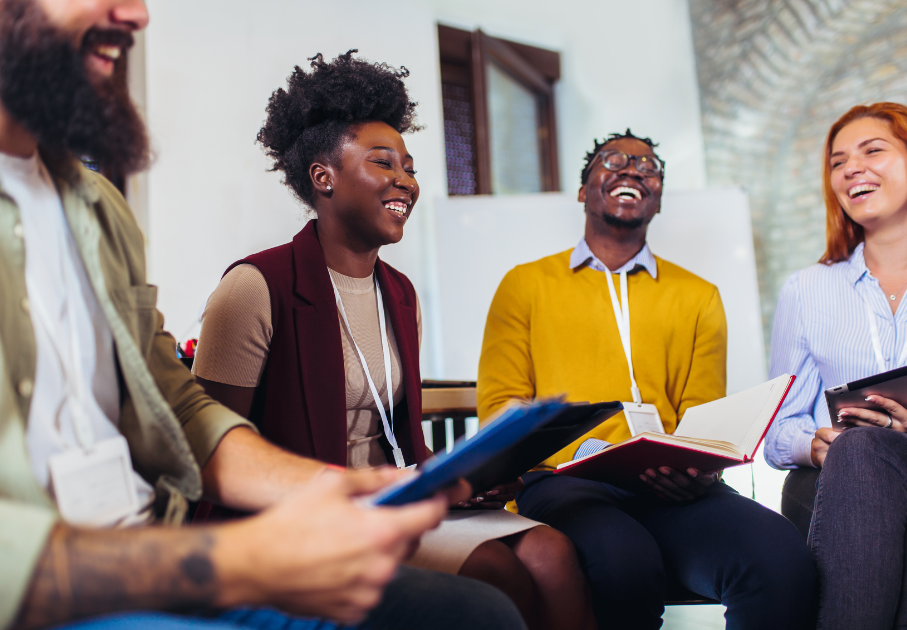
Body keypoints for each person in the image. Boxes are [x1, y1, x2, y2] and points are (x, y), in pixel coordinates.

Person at [0, 2, 532, 630]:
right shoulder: (257, 284)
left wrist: (326, 488)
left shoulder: (95, 205)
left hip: (159, 544)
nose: (135, 14)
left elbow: (178, 407)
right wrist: (233, 559)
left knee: (480, 613)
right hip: (50, 592)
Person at [190, 50, 596, 630]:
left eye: (408, 165)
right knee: (497, 576)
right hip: (307, 518)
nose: (406, 180)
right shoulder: (255, 288)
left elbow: (397, 435)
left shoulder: (399, 292)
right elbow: (211, 455)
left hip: (396, 497)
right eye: (383, 163)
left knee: (553, 555)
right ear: (322, 176)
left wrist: (466, 479)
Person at [477, 129, 818, 630]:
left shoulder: (699, 296)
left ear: (657, 198)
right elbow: (501, 408)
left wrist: (694, 467)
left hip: (672, 488)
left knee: (779, 556)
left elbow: (702, 414)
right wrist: (557, 460)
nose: (633, 169)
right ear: (583, 190)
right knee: (623, 563)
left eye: (649, 166)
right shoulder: (524, 285)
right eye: (613, 160)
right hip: (565, 483)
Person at [765, 102, 907, 630]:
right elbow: (779, 428)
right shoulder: (808, 289)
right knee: (860, 448)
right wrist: (814, 444)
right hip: (850, 478)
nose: (851, 169)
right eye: (837, 161)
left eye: (873, 151)